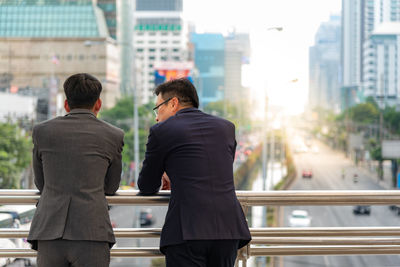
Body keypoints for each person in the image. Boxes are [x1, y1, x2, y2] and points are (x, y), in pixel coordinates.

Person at [138, 78, 251, 267]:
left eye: (158, 108)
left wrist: (168, 172)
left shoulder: (161, 131)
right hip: (228, 229)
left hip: (187, 231)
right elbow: (214, 168)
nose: (157, 117)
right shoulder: (226, 127)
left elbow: (147, 186)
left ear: (173, 103)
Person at [27, 73, 124, 267]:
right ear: (98, 104)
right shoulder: (113, 135)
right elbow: (111, 187)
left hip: (49, 230)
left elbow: (41, 183)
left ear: (66, 104)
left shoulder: (42, 131)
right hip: (92, 231)